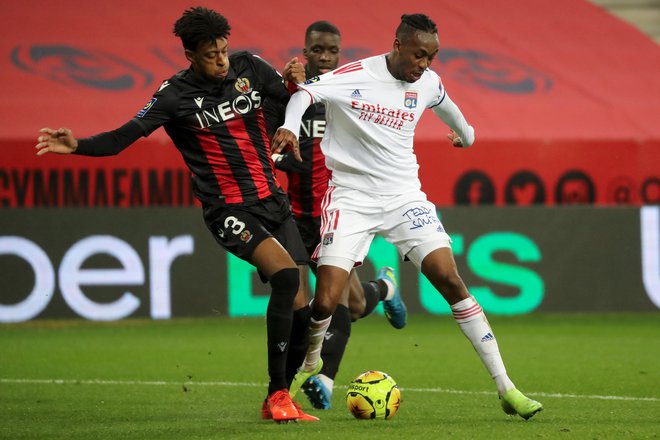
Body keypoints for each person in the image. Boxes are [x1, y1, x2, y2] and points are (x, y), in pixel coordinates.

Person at [35, 6, 316, 424]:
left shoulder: (250, 67)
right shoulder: (173, 96)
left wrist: (295, 83)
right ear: (189, 55)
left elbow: (292, 104)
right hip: (227, 209)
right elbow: (121, 138)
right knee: (286, 276)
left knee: (302, 309)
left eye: (223, 50)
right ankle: (276, 394)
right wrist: (77, 145)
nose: (221, 60)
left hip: (272, 201)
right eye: (210, 55)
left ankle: (281, 396)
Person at [271, 13, 544, 420]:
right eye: (419, 55)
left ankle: (507, 387)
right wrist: (291, 127)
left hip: (404, 198)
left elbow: (449, 108)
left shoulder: (427, 82)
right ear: (398, 46)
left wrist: (466, 136)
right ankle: (311, 361)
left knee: (450, 279)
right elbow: (302, 96)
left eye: (431, 57)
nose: (424, 65)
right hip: (352, 198)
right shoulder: (354, 75)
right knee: (326, 300)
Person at [268, 20, 408, 410]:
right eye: (318, 51)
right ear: (306, 51)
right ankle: (386, 288)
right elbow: (274, 143)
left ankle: (324, 379)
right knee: (314, 307)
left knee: (344, 305)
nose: (325, 58)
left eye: (332, 51)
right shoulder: (292, 96)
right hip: (293, 218)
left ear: (339, 53)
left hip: (336, 214)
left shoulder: (349, 95)